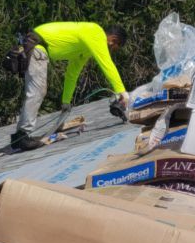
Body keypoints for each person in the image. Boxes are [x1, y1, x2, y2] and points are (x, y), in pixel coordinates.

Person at [13, 21, 128, 151]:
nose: (111, 50)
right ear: (113, 40)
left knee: (37, 91)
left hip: (36, 46)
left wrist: (66, 102)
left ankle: (19, 137)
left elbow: (72, 74)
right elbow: (107, 64)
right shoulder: (96, 33)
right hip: (37, 47)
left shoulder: (84, 49)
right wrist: (122, 92)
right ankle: (22, 136)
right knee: (37, 91)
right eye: (114, 48)